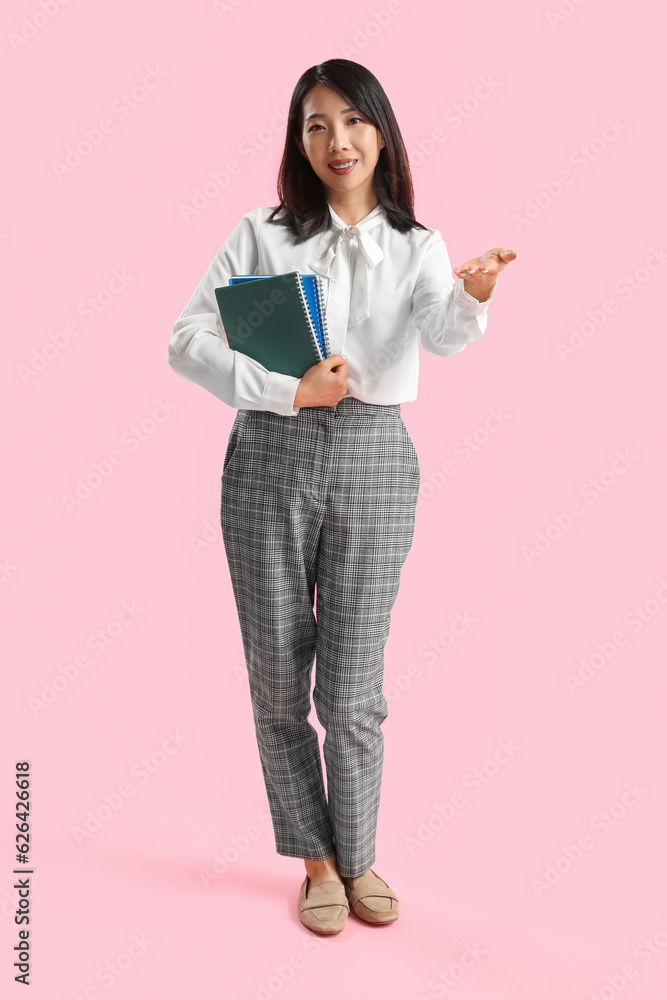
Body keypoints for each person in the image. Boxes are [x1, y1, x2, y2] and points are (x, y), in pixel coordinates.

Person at [168, 58, 515, 936]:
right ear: (298, 140)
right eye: (315, 125)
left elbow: (438, 336)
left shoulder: (418, 243)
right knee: (278, 681)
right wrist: (287, 391)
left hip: (375, 456)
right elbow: (185, 339)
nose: (337, 141)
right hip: (267, 455)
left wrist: (471, 296)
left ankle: (358, 857)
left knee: (354, 688)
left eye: (353, 121)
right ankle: (315, 861)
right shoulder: (262, 231)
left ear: (382, 131)